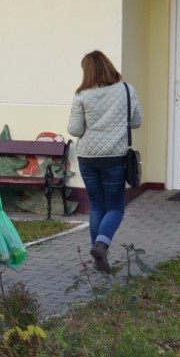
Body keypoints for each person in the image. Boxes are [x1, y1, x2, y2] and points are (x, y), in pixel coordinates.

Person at [66, 50, 143, 274]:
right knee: (116, 207)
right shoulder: (127, 90)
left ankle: (99, 257)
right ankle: (101, 245)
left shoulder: (82, 95)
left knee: (97, 206)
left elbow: (74, 129)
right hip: (114, 156)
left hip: (88, 156)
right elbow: (137, 122)